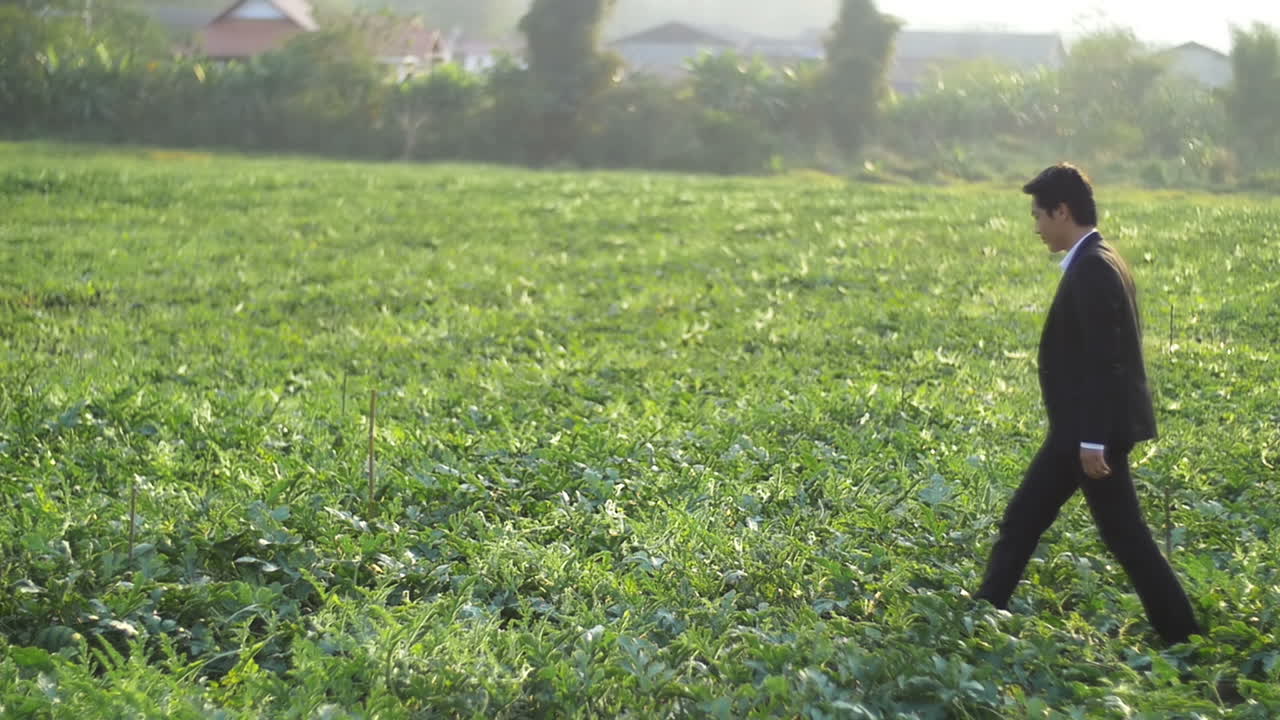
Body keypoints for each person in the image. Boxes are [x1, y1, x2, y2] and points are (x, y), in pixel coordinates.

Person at [973, 163, 1202, 645]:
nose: (1035, 227)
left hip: (1089, 432)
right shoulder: (1099, 258)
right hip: (1079, 430)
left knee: (1124, 535)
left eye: (1039, 215)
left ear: (1062, 211)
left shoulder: (1094, 268)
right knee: (1026, 518)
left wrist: (1093, 440)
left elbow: (1106, 362)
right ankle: (983, 610)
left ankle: (1183, 636)